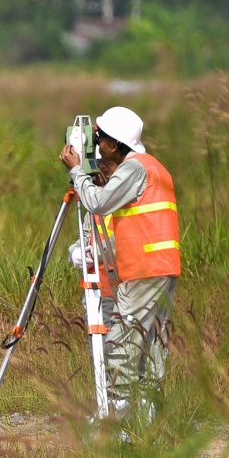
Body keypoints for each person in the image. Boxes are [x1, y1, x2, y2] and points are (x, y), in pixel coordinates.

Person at [55, 106, 180, 416]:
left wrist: (78, 173)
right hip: (159, 268)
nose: (97, 146)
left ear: (115, 142)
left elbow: (97, 203)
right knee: (147, 344)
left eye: (100, 139)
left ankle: (123, 418)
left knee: (123, 342)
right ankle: (148, 414)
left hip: (144, 269)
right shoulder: (153, 167)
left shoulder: (135, 168)